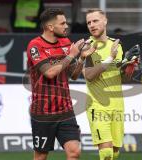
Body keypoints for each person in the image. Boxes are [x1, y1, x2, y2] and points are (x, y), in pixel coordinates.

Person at [26, 8, 95, 160]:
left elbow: (75, 75)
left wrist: (82, 58)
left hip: (65, 110)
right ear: (50, 27)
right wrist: (71, 54)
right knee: (41, 156)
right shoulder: (35, 46)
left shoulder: (65, 42)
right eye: (62, 23)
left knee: (74, 152)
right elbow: (49, 73)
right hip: (43, 113)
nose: (66, 26)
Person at [83, 9, 127, 160]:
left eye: (95, 21)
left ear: (105, 21)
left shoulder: (116, 45)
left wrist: (130, 67)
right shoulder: (87, 46)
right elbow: (88, 75)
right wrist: (110, 59)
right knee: (106, 153)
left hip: (117, 105)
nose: (92, 25)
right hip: (97, 105)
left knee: (115, 153)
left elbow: (122, 78)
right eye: (89, 22)